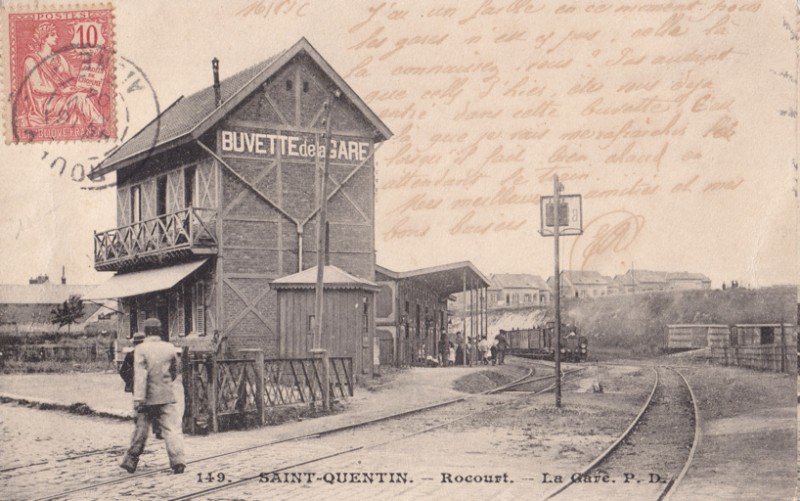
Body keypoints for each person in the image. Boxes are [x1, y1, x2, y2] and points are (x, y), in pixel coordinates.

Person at [120, 318, 186, 474]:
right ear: (160, 330)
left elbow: (141, 376)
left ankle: (131, 460)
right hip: (166, 396)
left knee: (141, 431)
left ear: (146, 331)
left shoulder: (141, 349)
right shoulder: (169, 348)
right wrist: (166, 384)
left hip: (146, 398)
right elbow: (175, 371)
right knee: (172, 430)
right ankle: (178, 461)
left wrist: (138, 399)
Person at [17, 22, 104, 129]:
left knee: (84, 96)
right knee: (79, 98)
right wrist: (61, 91)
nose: (56, 37)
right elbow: (36, 88)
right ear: (44, 37)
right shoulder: (31, 60)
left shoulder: (58, 58)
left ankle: (100, 125)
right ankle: (101, 125)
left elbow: (74, 73)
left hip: (61, 98)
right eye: (53, 34)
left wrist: (91, 70)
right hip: (46, 104)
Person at [119, 332, 162, 439]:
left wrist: (132, 381)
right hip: (144, 385)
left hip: (145, 385)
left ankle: (149, 431)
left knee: (147, 408)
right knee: (150, 407)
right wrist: (132, 381)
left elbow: (123, 371)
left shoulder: (147, 354)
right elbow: (124, 371)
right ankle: (155, 431)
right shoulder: (132, 355)